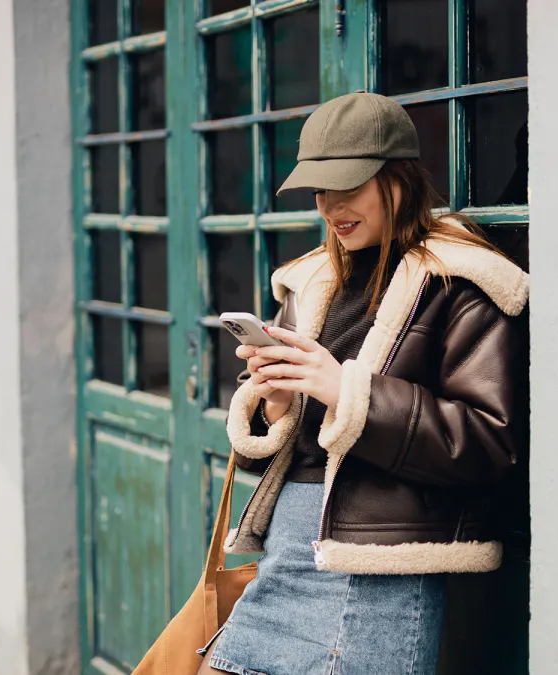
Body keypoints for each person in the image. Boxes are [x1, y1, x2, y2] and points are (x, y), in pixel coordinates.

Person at [197, 91, 530, 675]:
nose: (330, 208)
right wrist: (278, 405)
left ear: (397, 181)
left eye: (347, 189)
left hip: (375, 572)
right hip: (288, 549)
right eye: (321, 192)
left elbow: (489, 443)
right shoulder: (314, 282)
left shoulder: (460, 284)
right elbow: (296, 450)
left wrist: (346, 391)